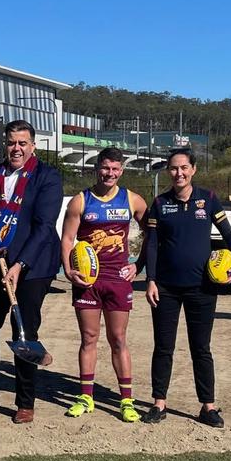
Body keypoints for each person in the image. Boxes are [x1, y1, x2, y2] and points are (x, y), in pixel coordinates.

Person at [138, 148, 231, 428]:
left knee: (201, 348)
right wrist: (150, 279)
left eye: (184, 167)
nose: (179, 173)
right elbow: (151, 244)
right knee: (163, 347)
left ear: (193, 169)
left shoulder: (208, 199)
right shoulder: (160, 203)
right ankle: (159, 403)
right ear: (168, 172)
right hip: (166, 288)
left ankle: (208, 406)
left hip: (202, 288)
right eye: (173, 168)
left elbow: (228, 234)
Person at [0, 120, 63, 424]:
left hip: (31, 267)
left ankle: (25, 401)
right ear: (4, 145)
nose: (16, 148)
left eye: (23, 143)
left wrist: (20, 265)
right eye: (11, 142)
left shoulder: (46, 177)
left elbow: (45, 227)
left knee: (24, 331)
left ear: (32, 145)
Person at [60, 148, 147, 423]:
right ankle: (86, 396)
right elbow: (67, 238)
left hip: (118, 279)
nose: (110, 173)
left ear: (121, 171)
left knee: (118, 339)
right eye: (105, 168)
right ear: (97, 168)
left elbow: (152, 232)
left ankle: (126, 401)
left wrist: (139, 265)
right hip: (87, 280)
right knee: (89, 338)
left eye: (115, 169)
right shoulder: (80, 201)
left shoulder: (131, 199)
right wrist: (68, 269)